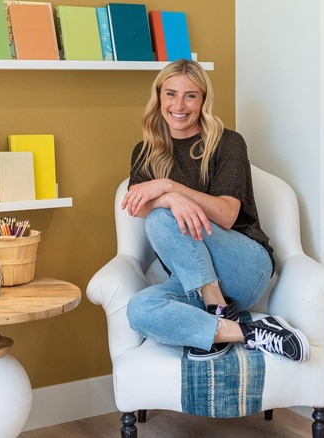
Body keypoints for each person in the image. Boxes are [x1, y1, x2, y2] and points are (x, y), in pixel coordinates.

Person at [123, 59, 309, 362]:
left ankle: (216, 306)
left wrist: (170, 189)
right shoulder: (146, 151)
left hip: (245, 268)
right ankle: (246, 332)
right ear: (158, 98)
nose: (179, 105)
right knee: (139, 310)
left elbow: (226, 214)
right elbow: (135, 203)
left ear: (203, 100)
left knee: (160, 218)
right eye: (170, 94)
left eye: (190, 95)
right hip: (190, 279)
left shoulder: (228, 143)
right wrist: (170, 200)